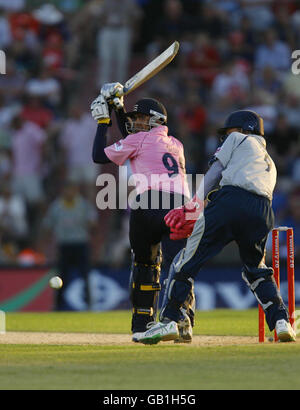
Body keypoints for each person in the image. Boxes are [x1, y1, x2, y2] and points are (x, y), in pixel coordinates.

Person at [136, 109, 296, 344]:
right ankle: (282, 322)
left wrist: (193, 206)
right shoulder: (269, 161)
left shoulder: (237, 139)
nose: (226, 135)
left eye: (230, 130)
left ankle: (169, 320)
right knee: (256, 269)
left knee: (185, 261)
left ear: (245, 129)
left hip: (230, 201)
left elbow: (216, 172)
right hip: (262, 211)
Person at [91, 82, 195, 343]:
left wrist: (104, 121)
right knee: (178, 266)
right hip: (181, 207)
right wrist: (118, 106)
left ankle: (141, 323)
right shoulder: (176, 143)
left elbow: (98, 156)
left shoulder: (137, 139)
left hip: (148, 204)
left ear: (155, 120)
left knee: (145, 265)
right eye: (134, 118)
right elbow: (134, 135)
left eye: (141, 118)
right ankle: (181, 321)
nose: (135, 122)